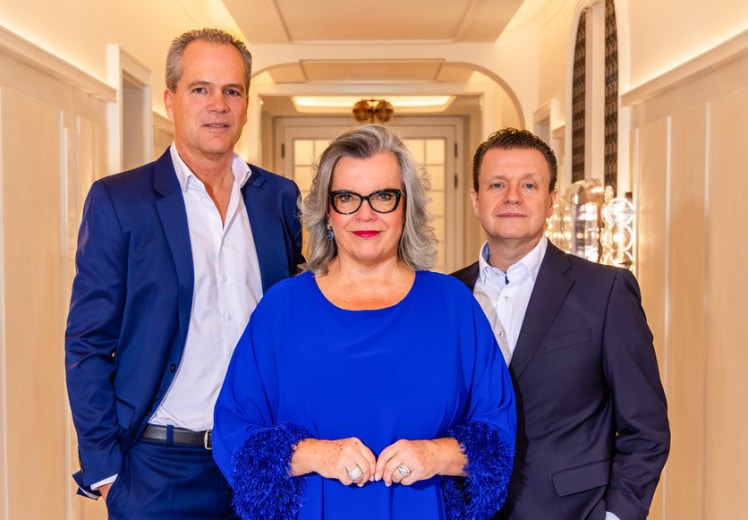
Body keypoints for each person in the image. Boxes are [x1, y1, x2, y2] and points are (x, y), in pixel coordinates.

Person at [212, 124, 517, 520]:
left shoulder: (453, 305)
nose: (365, 214)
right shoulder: (282, 309)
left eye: (383, 196)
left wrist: (434, 454)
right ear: (327, 212)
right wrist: (317, 455)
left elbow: (497, 433)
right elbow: (233, 432)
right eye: (347, 198)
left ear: (406, 208)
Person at [64, 28, 304, 519]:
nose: (218, 105)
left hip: (261, 458)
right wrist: (106, 471)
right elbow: (87, 342)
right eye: (200, 89)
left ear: (246, 104)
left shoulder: (279, 198)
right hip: (157, 471)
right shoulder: (120, 201)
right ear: (170, 100)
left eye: (231, 90)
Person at [452, 127, 670, 520]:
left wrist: (615, 516)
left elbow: (646, 429)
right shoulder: (447, 297)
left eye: (529, 185)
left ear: (551, 201)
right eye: (497, 184)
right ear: (475, 200)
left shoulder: (606, 292)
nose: (512, 197)